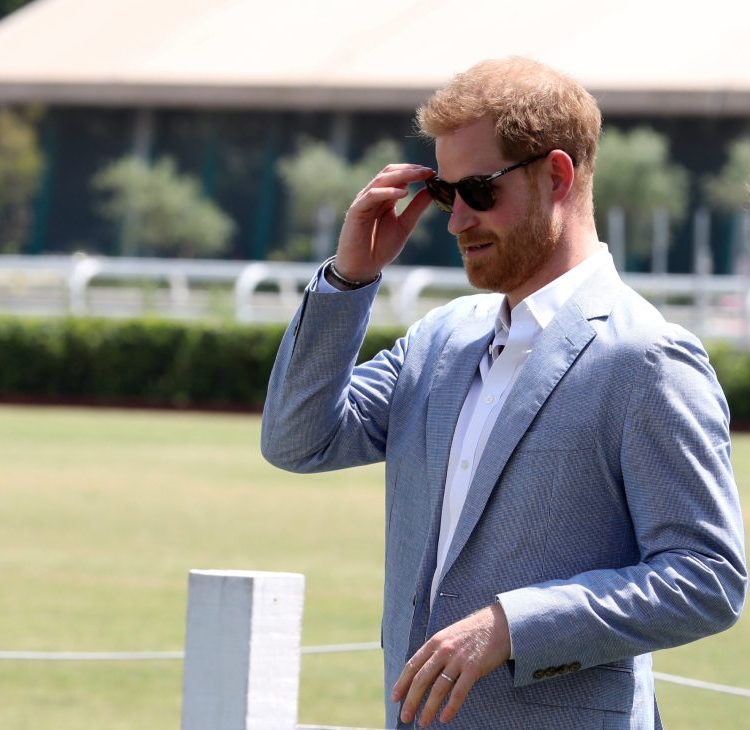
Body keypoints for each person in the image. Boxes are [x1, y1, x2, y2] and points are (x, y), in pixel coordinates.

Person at [261, 57, 747, 729]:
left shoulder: (649, 359)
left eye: (479, 191)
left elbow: (707, 579)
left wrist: (512, 626)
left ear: (556, 175)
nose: (456, 221)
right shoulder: (438, 341)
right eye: (443, 193)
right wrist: (349, 280)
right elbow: (296, 440)